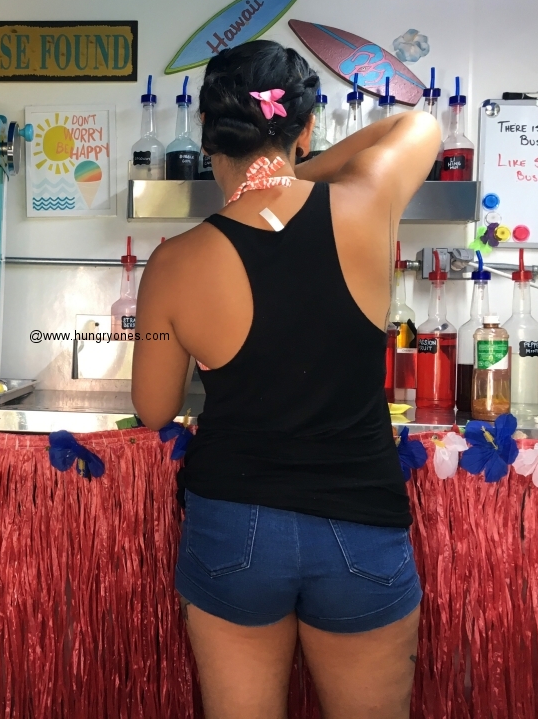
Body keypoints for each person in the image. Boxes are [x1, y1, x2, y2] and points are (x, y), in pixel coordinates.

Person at [131, 41, 441, 719]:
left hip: (234, 526)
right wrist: (296, 164)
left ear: (211, 134)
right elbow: (417, 125)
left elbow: (153, 410)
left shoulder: (174, 263)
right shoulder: (369, 200)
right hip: (360, 523)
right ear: (304, 127)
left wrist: (266, 171)